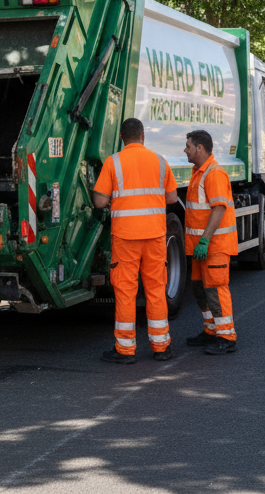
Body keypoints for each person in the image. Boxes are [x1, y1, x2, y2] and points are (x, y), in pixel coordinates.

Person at [92, 118, 179, 364]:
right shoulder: (160, 161)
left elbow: (99, 202)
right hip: (154, 235)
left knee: (126, 292)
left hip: (126, 237)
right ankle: (162, 347)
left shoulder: (113, 162)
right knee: (155, 290)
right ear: (143, 135)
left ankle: (125, 349)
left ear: (122, 137)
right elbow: (172, 197)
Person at [183, 129, 238, 354]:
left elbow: (218, 209)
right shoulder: (199, 172)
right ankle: (211, 330)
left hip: (213, 246)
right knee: (199, 288)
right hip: (200, 248)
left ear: (200, 148)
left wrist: (204, 241)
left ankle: (227, 336)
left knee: (215, 289)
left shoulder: (214, 173)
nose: (184, 150)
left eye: (187, 146)